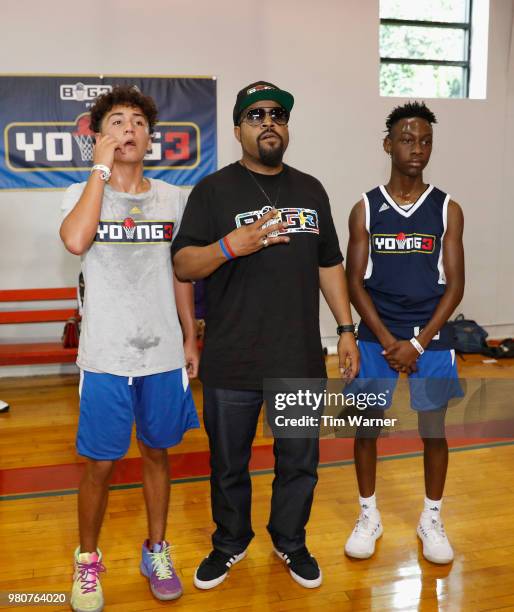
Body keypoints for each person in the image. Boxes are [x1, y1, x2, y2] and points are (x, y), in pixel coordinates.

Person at [172, 81, 359, 590]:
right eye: (255, 116)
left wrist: (345, 329)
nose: (268, 122)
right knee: (227, 464)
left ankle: (290, 541)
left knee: (299, 463)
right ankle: (229, 543)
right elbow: (184, 263)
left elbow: (329, 264)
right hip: (231, 359)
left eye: (277, 114)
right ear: (238, 130)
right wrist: (230, 246)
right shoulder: (213, 191)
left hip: (297, 357)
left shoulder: (310, 189)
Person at [60, 85, 200, 611]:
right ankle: (88, 561)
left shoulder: (174, 198)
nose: (128, 129)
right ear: (99, 136)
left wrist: (190, 335)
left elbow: (182, 274)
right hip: (105, 355)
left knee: (158, 453)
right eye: (116, 121)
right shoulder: (80, 193)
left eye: (138, 122)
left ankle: (157, 550)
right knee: (99, 464)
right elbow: (76, 241)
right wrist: (99, 172)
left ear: (151, 137)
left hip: (162, 353)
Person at [345, 101, 465, 564]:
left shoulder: (448, 207)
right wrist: (388, 339)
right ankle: (368, 515)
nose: (417, 149)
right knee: (367, 429)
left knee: (433, 431)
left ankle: (431, 518)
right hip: (377, 336)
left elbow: (454, 287)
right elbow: (354, 282)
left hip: (430, 336)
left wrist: (415, 343)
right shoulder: (367, 208)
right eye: (408, 140)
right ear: (388, 144)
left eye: (425, 141)